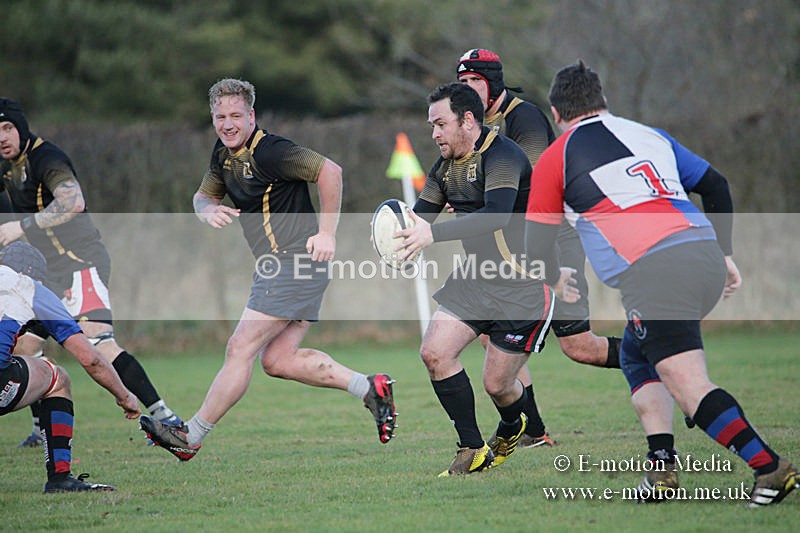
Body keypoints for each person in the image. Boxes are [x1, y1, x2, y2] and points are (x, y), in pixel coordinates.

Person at [525, 60, 799, 506]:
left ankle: (770, 469)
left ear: (556, 115)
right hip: (702, 255)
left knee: (686, 382)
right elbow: (716, 185)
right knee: (636, 355)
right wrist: (725, 253)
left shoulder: (557, 156)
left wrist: (554, 278)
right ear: (604, 102)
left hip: (656, 271)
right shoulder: (649, 135)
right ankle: (661, 471)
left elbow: (535, 241)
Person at [139, 78, 397, 461]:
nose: (227, 124)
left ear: (251, 116)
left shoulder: (272, 151)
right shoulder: (223, 155)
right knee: (277, 360)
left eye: (235, 116)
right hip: (280, 268)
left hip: (295, 263)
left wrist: (327, 233)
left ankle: (190, 435)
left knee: (239, 347)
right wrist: (207, 209)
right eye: (220, 117)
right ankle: (369, 388)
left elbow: (331, 172)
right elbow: (202, 195)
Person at [396, 82, 577, 476]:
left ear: (467, 120)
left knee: (498, 385)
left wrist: (432, 235)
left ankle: (515, 425)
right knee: (434, 354)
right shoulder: (444, 168)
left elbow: (496, 213)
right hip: (475, 281)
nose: (435, 134)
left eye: (441, 124)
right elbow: (419, 217)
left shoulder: (503, 156)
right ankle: (472, 448)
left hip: (524, 284)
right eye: (432, 126)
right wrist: (396, 239)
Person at [456, 49, 622, 450]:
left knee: (580, 347)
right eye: (461, 84)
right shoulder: (473, 125)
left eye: (474, 82)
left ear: (492, 83)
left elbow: (524, 183)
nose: (467, 90)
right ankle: (533, 430)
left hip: (555, 241)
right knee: (490, 334)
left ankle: (661, 358)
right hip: (514, 248)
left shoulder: (524, 117)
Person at [0, 98, 182, 448]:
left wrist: (22, 226)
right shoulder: (8, 166)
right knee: (26, 345)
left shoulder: (46, 158)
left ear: (22, 129)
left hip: (79, 263)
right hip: (44, 273)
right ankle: (42, 428)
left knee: (99, 342)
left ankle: (165, 418)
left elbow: (74, 202)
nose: (3, 137)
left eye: (8, 128)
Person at [0, 241, 140, 492]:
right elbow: (91, 359)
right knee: (57, 378)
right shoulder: (30, 287)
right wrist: (125, 396)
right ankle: (59, 478)